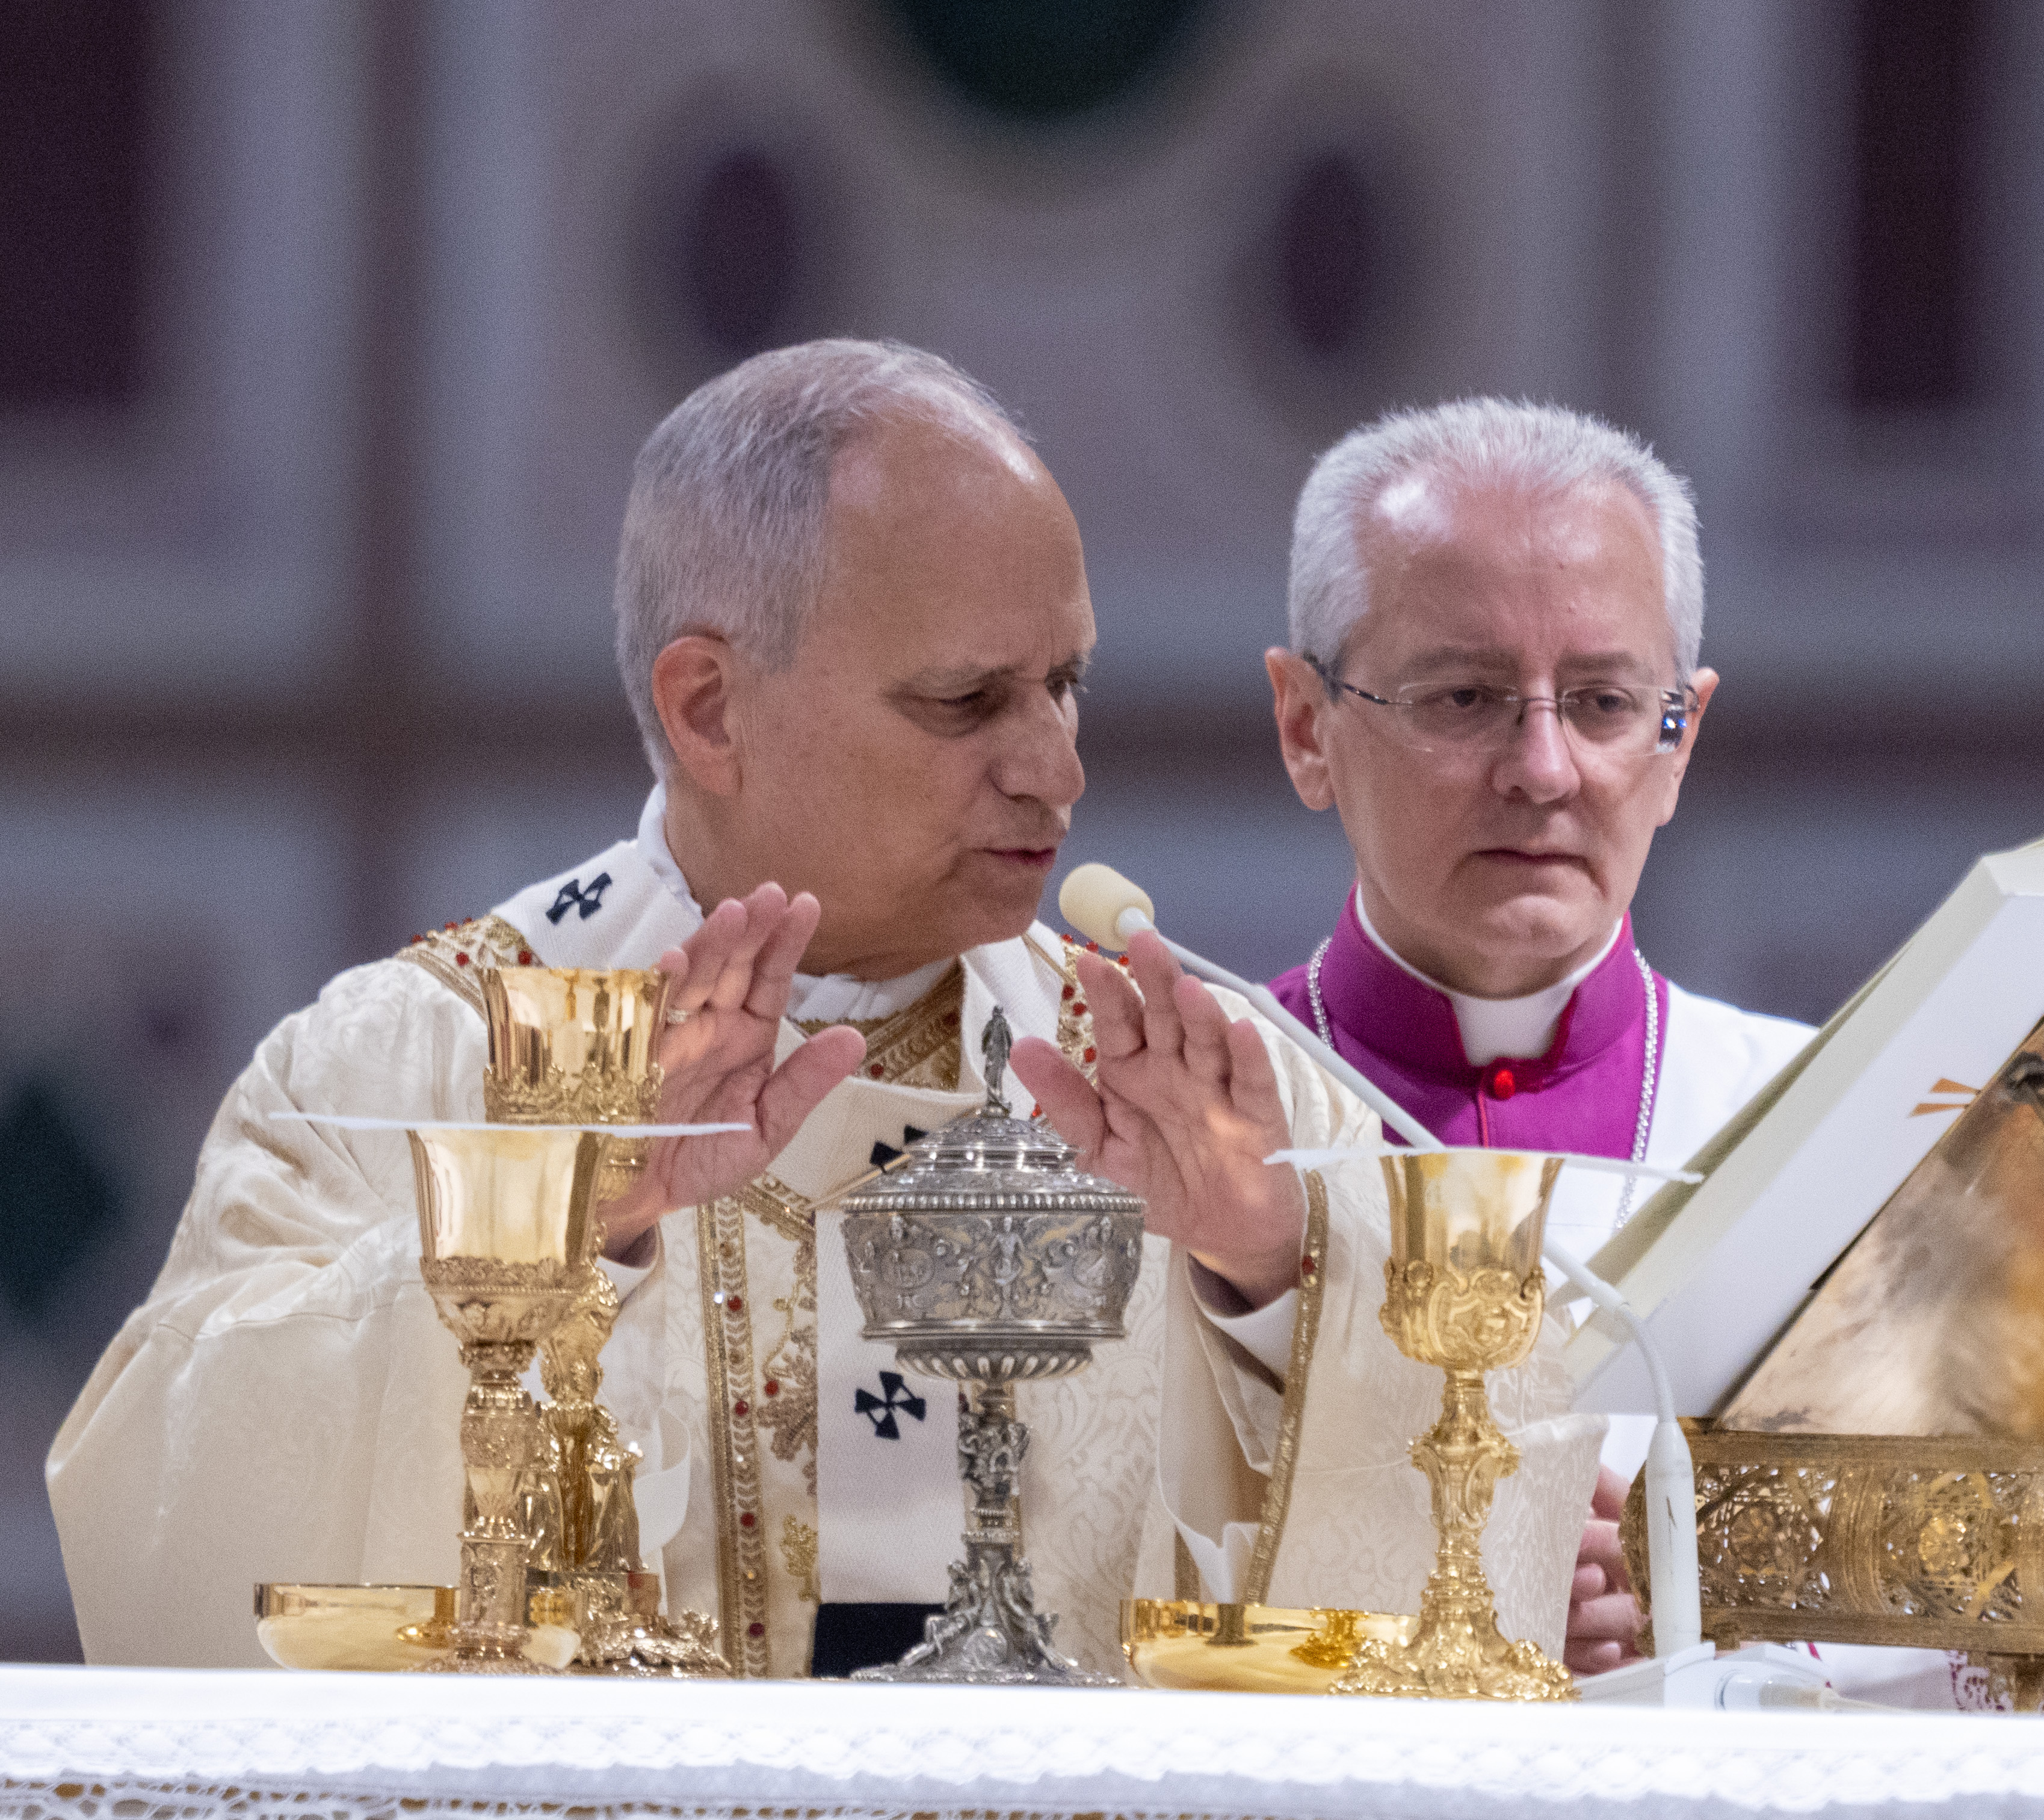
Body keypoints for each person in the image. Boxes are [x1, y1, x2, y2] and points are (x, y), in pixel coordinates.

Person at [49, 341, 1601, 1677]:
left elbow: (1490, 1580)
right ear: (708, 706)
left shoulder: (1188, 1088)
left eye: (1067, 686)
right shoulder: (409, 1064)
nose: (1055, 768)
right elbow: (166, 1534)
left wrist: (1271, 1274)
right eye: (967, 701)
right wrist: (553, 1230)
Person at [1261, 399, 1815, 1674]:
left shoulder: (1816, 1125)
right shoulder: (1191, 1129)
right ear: (1306, 727)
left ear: (1680, 741)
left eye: (1607, 702)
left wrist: (1713, 1600)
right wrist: (1409, 1613)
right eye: (1463, 696)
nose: (1544, 767)